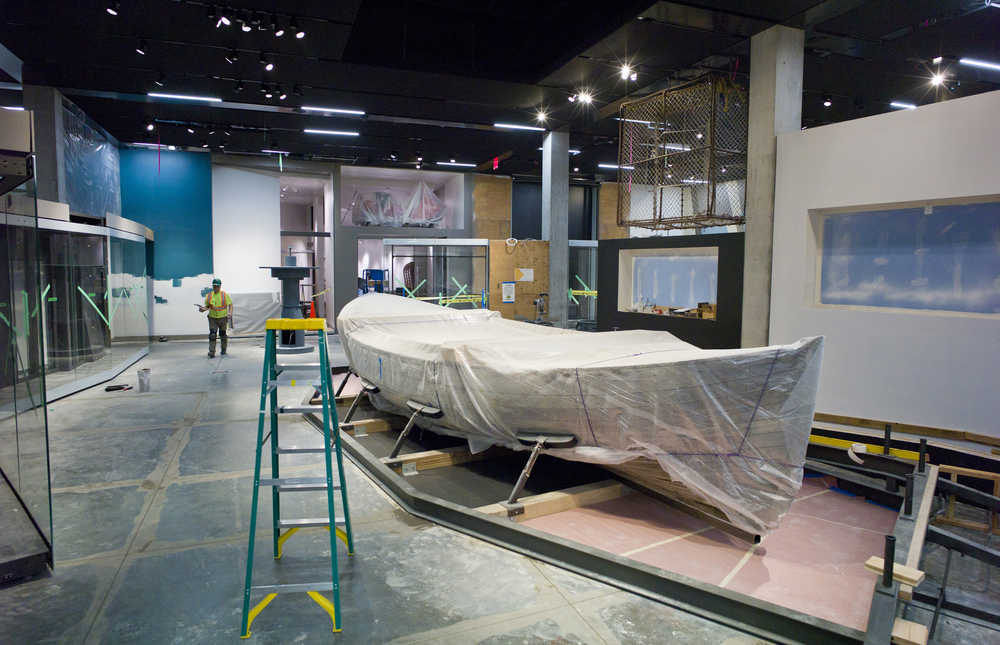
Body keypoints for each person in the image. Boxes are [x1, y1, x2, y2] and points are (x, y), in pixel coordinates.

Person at [199, 278, 233, 357]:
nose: (215, 288)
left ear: (220, 286)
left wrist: (230, 313)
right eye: (214, 286)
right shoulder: (209, 295)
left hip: (223, 318)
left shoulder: (224, 295)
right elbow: (207, 306)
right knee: (212, 334)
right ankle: (212, 352)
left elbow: (230, 305)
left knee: (222, 334)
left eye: (217, 286)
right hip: (212, 318)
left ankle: (223, 350)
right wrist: (202, 309)